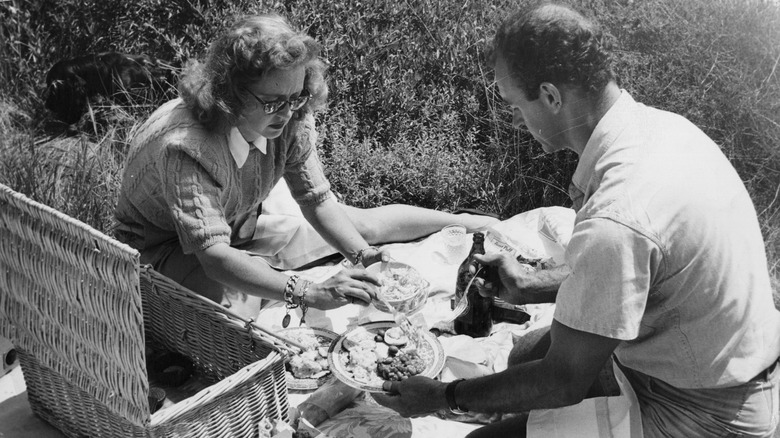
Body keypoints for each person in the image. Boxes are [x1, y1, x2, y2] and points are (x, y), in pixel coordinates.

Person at [374, 3, 780, 437]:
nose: (514, 120)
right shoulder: (662, 128)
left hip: (705, 411)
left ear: (550, 97)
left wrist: (443, 397)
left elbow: (563, 381)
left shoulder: (618, 215)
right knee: (525, 353)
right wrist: (531, 286)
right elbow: (649, 275)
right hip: (712, 360)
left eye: (515, 104)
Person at [114, 14, 497, 320]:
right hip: (163, 246)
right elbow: (214, 257)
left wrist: (362, 256)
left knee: (360, 229)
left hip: (241, 212)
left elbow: (316, 200)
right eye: (272, 102)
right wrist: (308, 291)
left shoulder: (290, 115)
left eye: (296, 97)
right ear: (229, 93)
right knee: (239, 311)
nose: (286, 112)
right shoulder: (189, 147)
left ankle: (475, 223)